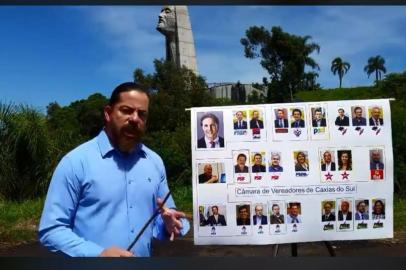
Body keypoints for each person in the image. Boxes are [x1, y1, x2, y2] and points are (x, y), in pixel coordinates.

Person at [38, 82, 189, 257]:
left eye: (142, 114)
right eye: (126, 110)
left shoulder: (154, 162)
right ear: (108, 113)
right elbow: (51, 230)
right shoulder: (75, 162)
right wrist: (98, 254)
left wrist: (169, 224)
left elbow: (166, 217)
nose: (134, 118)